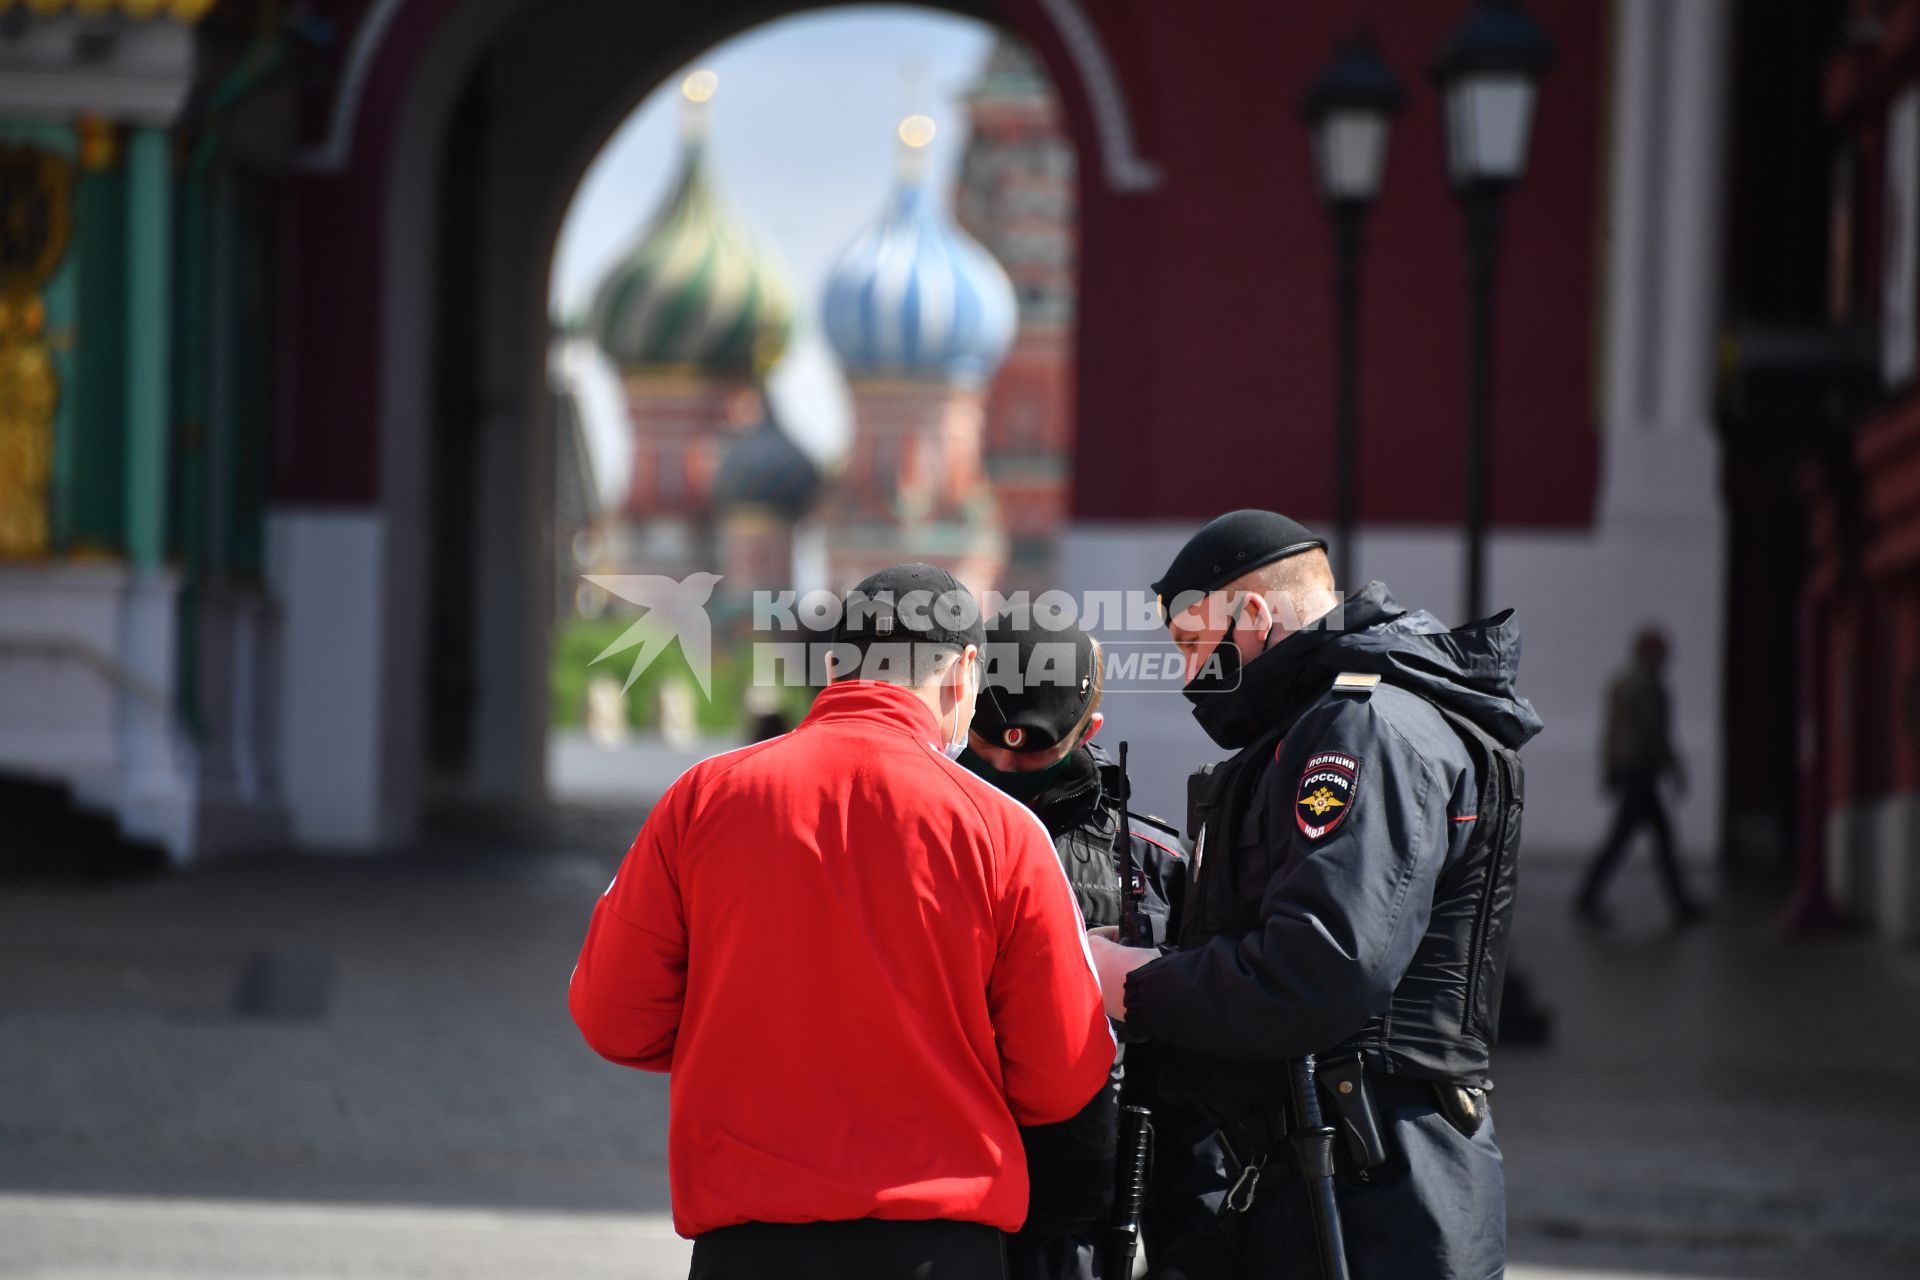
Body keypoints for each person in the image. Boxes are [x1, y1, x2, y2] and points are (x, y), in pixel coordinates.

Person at [569, 563, 1115, 1280]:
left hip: (748, 1244)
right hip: (940, 1247)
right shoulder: (1004, 830)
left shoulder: (700, 800)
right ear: (965, 673)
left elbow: (614, 1018)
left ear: (832, 666)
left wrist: (741, 1039)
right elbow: (1059, 1076)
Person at [1084, 509, 1543, 1279]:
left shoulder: (1361, 728)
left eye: (1195, 646)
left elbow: (1320, 967)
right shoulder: (1326, 722)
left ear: (1255, 615)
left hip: (1370, 1187)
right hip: (1332, 1172)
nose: (1191, 677)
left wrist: (1128, 982)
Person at [958, 611, 1229, 1279]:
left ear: (1089, 733)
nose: (1001, 767)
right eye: (984, 745)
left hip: (1081, 1230)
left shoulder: (1155, 866)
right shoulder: (908, 837)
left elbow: (1193, 1106)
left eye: (1031, 752)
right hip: (934, 1214)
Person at [1573, 627, 1704, 928]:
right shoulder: (1648, 687)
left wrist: (1608, 769)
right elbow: (1653, 734)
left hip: (1630, 769)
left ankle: (1591, 897)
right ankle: (1678, 904)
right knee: (1647, 839)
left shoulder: (1622, 683)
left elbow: (1610, 733)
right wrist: (1674, 768)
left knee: (1639, 839)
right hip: (1641, 771)